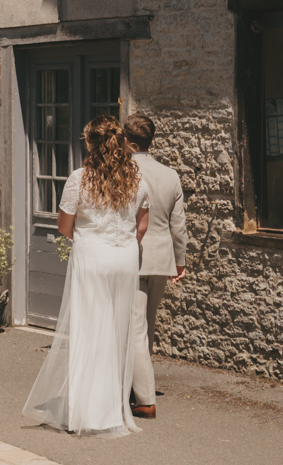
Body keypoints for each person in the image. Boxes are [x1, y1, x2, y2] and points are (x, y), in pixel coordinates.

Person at [23, 115, 150, 437]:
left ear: (90, 143)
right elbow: (142, 226)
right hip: (124, 257)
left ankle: (86, 412)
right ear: (121, 143)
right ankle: (111, 410)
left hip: (93, 255)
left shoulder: (80, 179)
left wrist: (93, 237)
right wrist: (121, 242)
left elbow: (64, 227)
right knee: (116, 332)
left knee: (89, 329)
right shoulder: (137, 179)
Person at [123, 114, 187, 419]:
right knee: (146, 326)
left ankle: (145, 399)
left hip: (133, 255)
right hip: (162, 259)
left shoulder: (125, 171)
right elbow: (179, 225)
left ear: (127, 141)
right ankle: (139, 387)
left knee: (135, 328)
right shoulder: (170, 174)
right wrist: (180, 261)